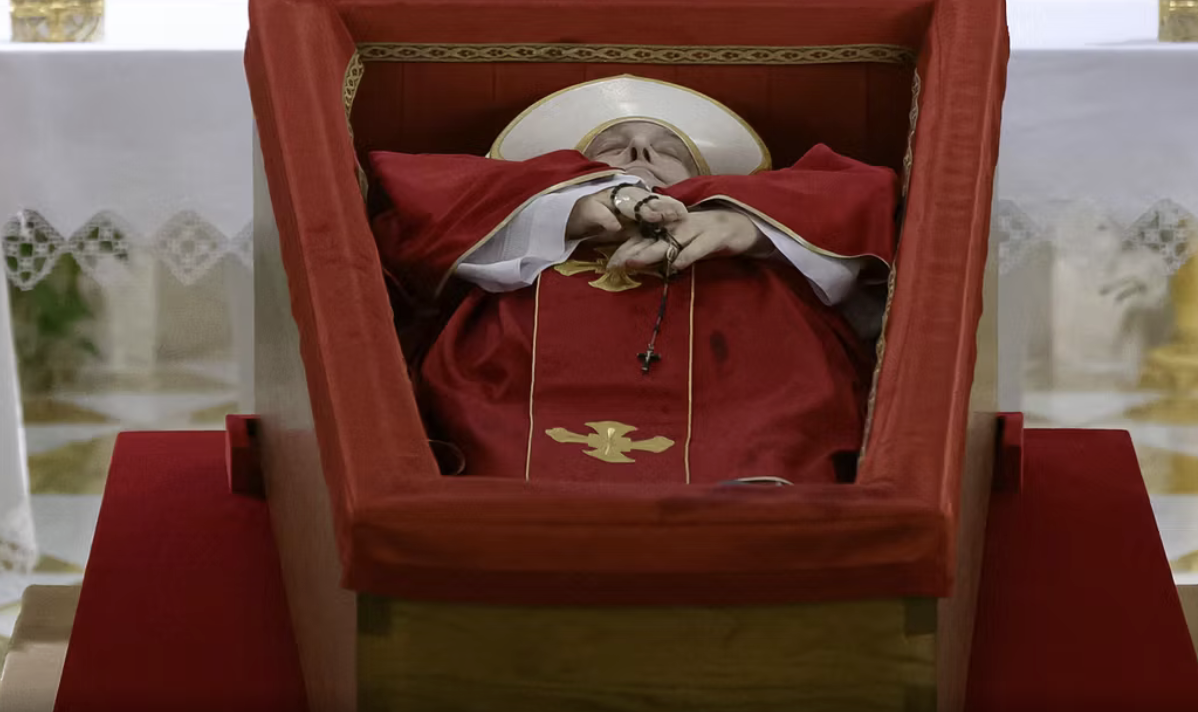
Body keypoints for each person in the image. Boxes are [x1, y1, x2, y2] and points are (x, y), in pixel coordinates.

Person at [368, 76, 897, 485]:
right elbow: (411, 234)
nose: (641, 154)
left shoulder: (756, 236)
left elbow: (860, 220)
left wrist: (746, 227)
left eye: (670, 149)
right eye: (613, 145)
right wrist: (572, 211)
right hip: (515, 412)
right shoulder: (515, 223)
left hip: (736, 417)